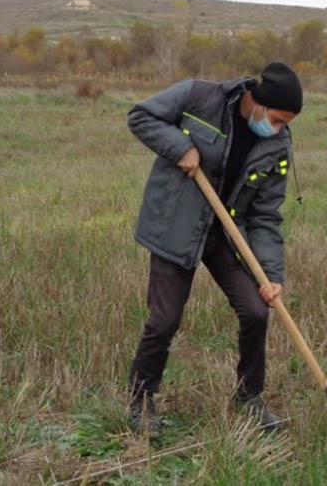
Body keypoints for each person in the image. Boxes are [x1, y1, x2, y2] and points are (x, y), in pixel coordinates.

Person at [126, 62, 303, 439]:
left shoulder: (277, 145)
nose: (279, 129)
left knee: (257, 310)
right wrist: (181, 147)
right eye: (276, 119)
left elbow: (266, 215)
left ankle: (248, 396)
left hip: (225, 233)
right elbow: (140, 116)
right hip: (178, 222)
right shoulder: (199, 96)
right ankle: (141, 401)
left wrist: (272, 276)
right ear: (256, 100)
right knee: (165, 319)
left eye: (285, 123)